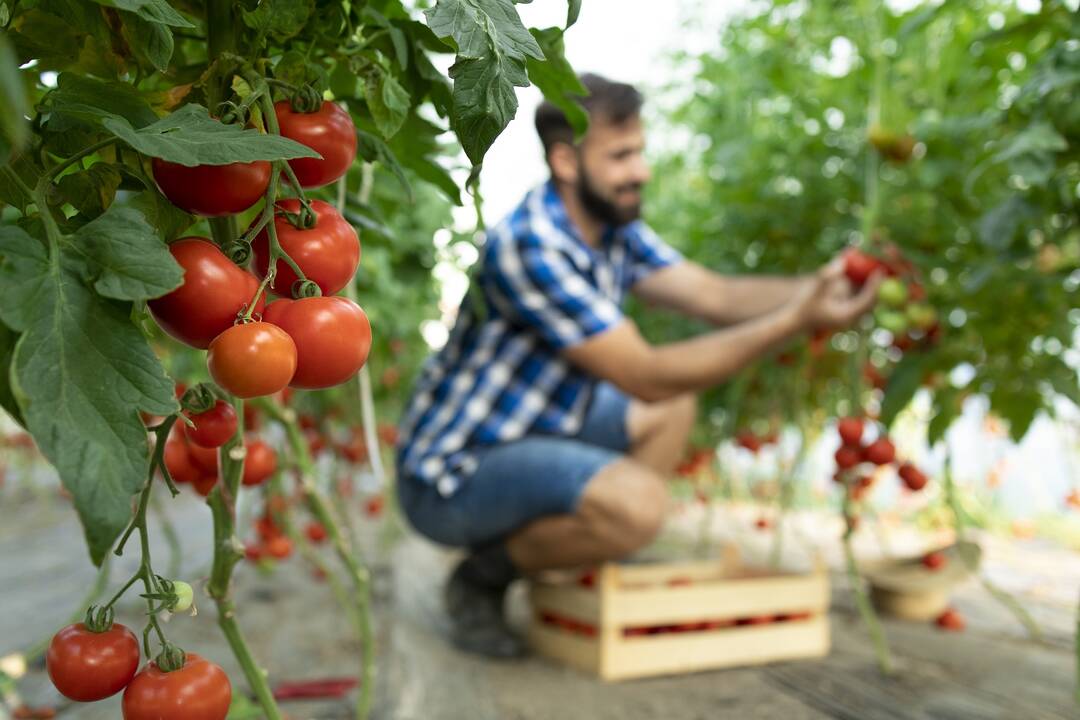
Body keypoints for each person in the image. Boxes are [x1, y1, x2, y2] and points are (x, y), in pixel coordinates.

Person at [394, 74, 881, 658]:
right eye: (622, 155)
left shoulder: (613, 229)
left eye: (640, 151)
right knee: (641, 502)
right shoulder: (534, 243)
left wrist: (817, 288)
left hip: (540, 429)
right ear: (566, 161)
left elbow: (715, 296)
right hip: (454, 475)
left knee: (672, 409)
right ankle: (484, 576)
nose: (641, 171)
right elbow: (644, 374)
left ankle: (586, 550)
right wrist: (796, 320)